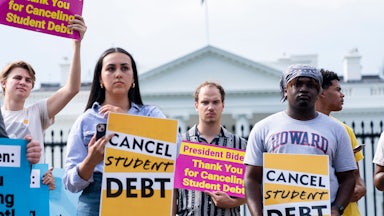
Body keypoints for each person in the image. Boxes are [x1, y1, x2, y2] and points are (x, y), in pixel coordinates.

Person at [63, 47, 167, 216]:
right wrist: (90, 161)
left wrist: (126, 121)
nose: (118, 74)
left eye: (125, 68)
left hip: (142, 197)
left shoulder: (151, 114)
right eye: (111, 68)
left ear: (133, 77)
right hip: (96, 200)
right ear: (100, 79)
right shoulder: (85, 120)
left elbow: (174, 148)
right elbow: (70, 183)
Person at [244, 64, 357, 216]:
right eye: (297, 84)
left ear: (319, 92)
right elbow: (252, 179)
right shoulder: (263, 128)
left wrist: (337, 208)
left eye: (311, 85)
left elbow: (348, 178)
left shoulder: (337, 130)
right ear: (285, 90)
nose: (304, 89)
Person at [0, 15, 87, 189]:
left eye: (28, 80)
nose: (23, 82)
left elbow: (72, 89)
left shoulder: (37, 112)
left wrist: (76, 44)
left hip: (32, 193)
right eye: (17, 77)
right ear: (3, 83)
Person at [173, 81, 247, 216]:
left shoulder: (240, 145)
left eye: (215, 102)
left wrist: (234, 202)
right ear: (196, 106)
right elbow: (172, 192)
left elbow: (255, 187)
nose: (210, 107)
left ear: (223, 105)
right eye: (205, 102)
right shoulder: (179, 144)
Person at [315, 69, 366, 216]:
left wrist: (361, 187)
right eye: (337, 90)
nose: (342, 95)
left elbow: (356, 176)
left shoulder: (344, 130)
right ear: (322, 92)